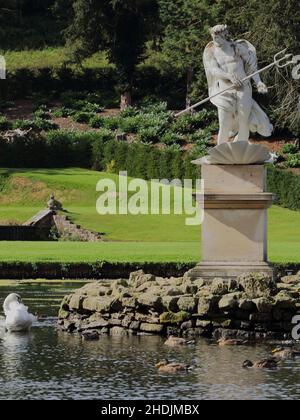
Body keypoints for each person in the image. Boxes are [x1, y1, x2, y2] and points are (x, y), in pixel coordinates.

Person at [203, 24, 273, 144]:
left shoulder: (236, 47)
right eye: (213, 38)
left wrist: (258, 81)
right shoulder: (211, 52)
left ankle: (240, 148)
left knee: (243, 121)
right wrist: (228, 76)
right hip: (225, 91)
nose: (215, 40)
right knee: (224, 123)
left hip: (243, 88)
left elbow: (252, 65)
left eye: (217, 38)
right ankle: (221, 151)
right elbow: (214, 70)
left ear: (224, 35)